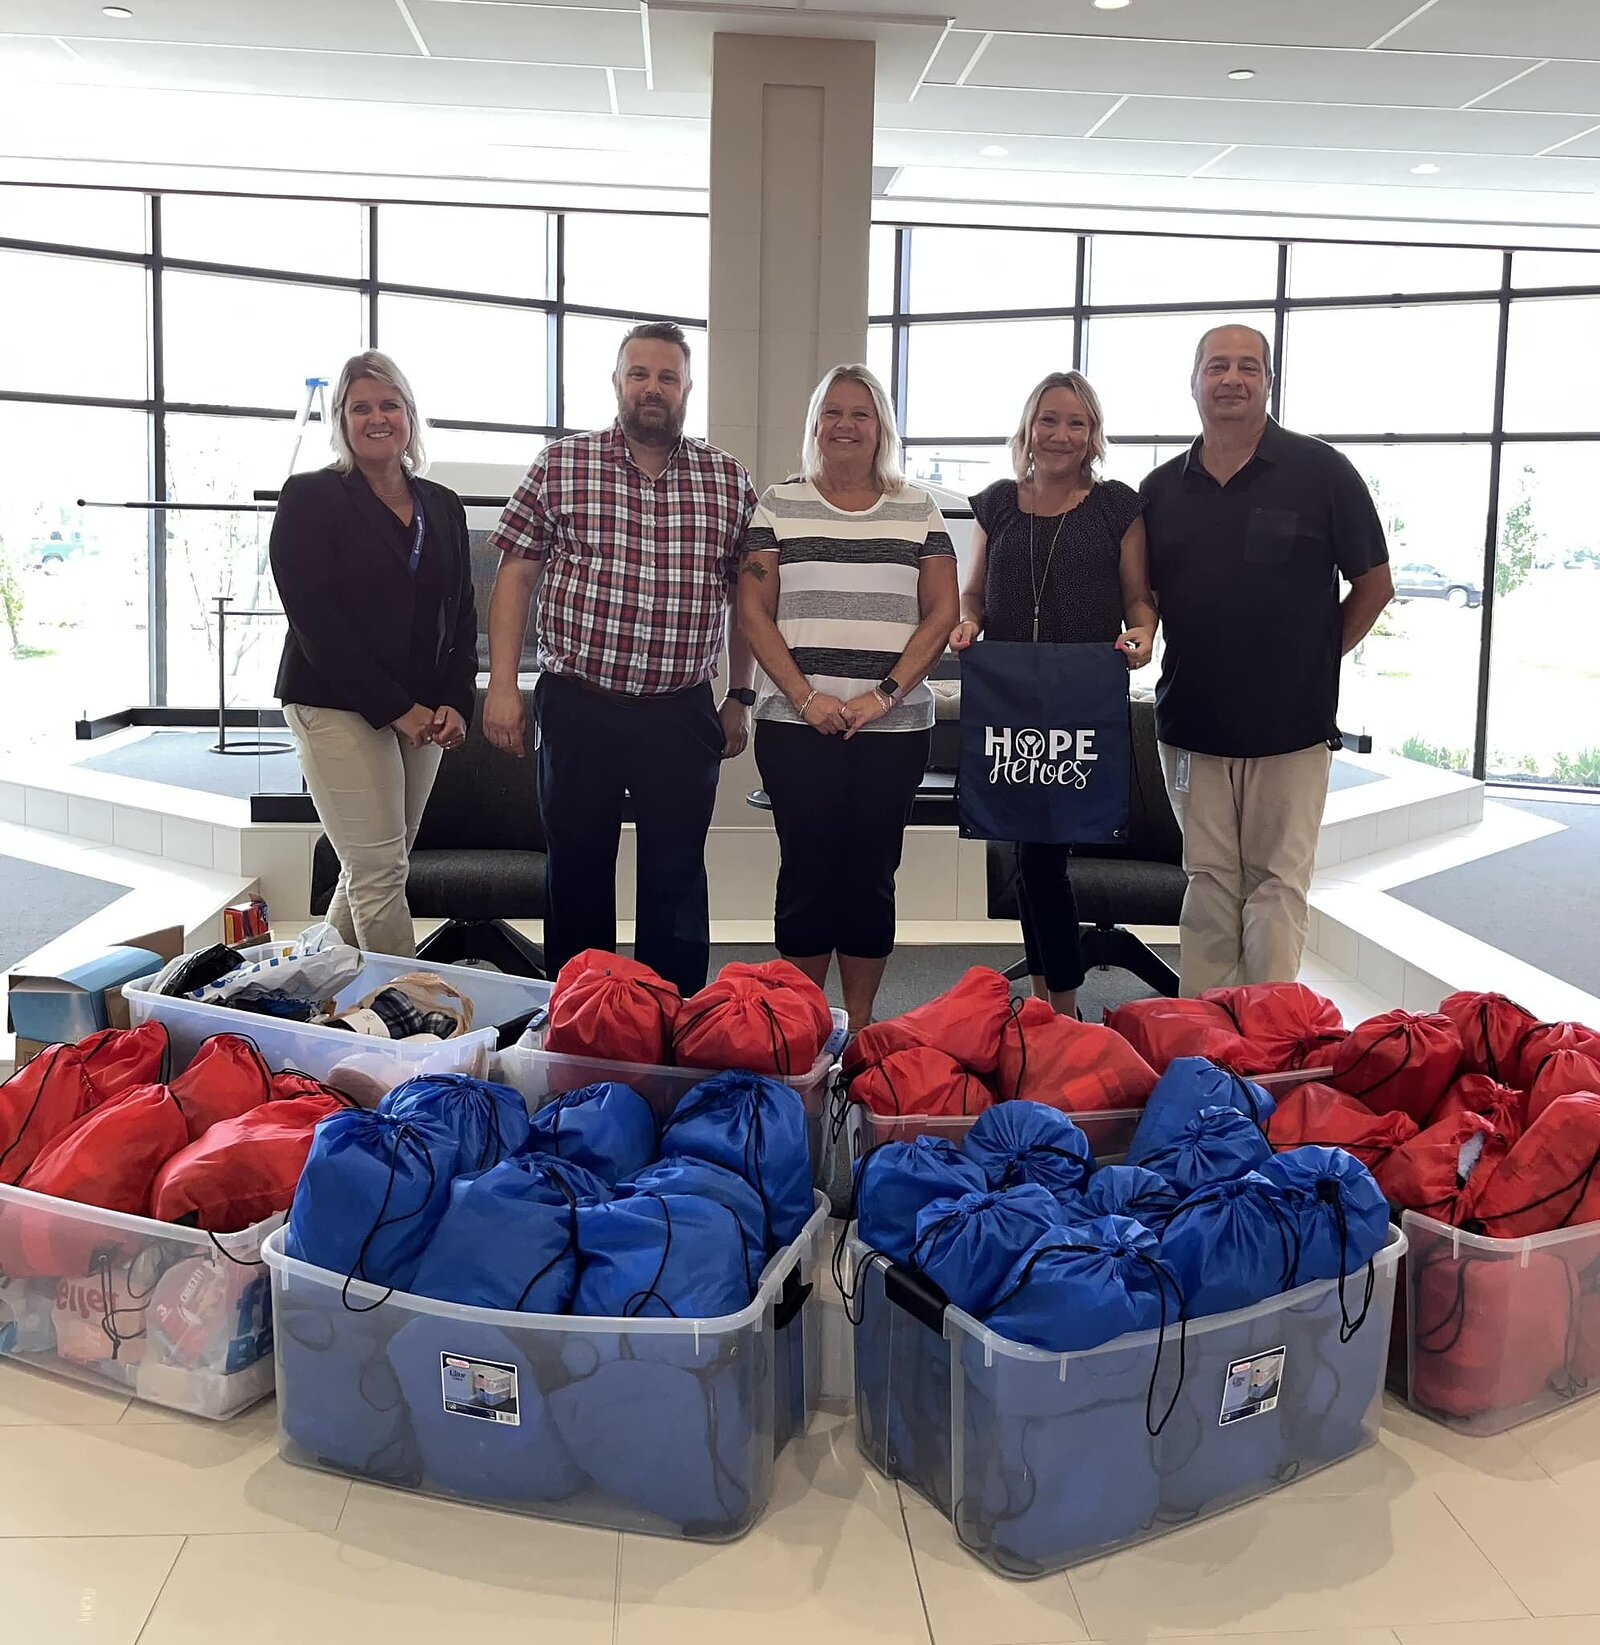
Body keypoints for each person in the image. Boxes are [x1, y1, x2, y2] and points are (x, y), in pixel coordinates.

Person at [483, 321, 757, 997]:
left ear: (687, 388)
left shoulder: (727, 479)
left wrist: (740, 694)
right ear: (616, 383)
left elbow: (747, 597)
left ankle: (672, 1015)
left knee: (677, 875)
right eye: (639, 374)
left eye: (667, 377)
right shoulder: (561, 465)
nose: (652, 389)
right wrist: (503, 686)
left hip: (681, 711)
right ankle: (580, 1017)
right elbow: (516, 576)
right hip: (580, 703)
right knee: (577, 870)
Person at [1140, 324, 1393, 995]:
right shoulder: (1159, 490)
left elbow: (1374, 586)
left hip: (1292, 726)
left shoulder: (1323, 473)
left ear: (1269, 382)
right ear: (1194, 382)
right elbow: (1148, 598)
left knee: (1278, 884)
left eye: (1248, 366)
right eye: (1217, 365)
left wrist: (1314, 660)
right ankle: (1206, 1030)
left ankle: (1268, 1032)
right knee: (1209, 881)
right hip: (1191, 723)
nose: (1232, 378)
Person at [738, 364, 959, 1033]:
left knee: (870, 875)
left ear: (881, 428)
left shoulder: (918, 508)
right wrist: (806, 698)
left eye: (861, 413)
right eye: (832, 412)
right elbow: (753, 612)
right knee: (805, 872)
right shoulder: (778, 504)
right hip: (794, 725)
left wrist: (883, 697)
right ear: (815, 426)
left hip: (892, 730)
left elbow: (942, 613)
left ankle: (859, 1025)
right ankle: (806, 1026)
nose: (846, 424)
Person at [950, 370, 1157, 1021]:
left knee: (1040, 860)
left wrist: (1144, 634)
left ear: (1092, 434)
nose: (1061, 434)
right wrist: (968, 623)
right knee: (1026, 857)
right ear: (1028, 428)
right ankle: (1048, 1003)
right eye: (1049, 420)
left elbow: (1138, 600)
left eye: (1076, 422)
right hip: (1009, 705)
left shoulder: (1117, 506)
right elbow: (974, 595)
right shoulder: (996, 504)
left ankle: (1062, 1011)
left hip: (1080, 707)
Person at [270, 349, 476, 958]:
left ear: (409, 414)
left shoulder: (442, 504)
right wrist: (396, 709)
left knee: (376, 865)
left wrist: (456, 700)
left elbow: (462, 614)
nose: (377, 418)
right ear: (341, 420)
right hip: (334, 703)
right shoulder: (311, 497)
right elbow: (316, 624)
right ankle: (413, 1004)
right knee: (380, 872)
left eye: (389, 405)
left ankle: (312, 989)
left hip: (423, 710)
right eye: (360, 408)